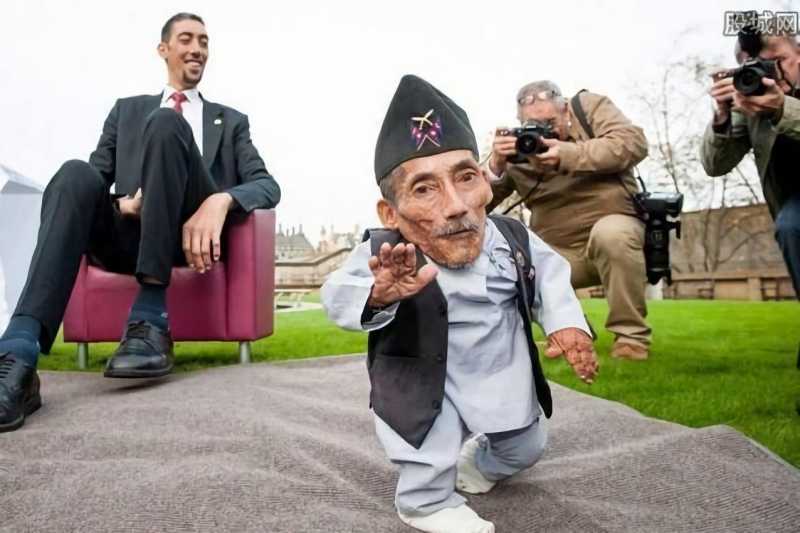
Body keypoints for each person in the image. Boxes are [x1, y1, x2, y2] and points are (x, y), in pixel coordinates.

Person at [322, 75, 598, 533]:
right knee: (428, 451)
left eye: (466, 178)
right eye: (424, 189)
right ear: (391, 213)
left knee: (526, 446)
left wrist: (566, 324)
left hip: (500, 371)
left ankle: (478, 465)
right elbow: (336, 294)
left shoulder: (512, 237)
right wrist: (377, 293)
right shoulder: (384, 251)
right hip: (429, 382)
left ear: (486, 184)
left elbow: (550, 278)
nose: (456, 206)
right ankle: (425, 504)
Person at [0, 12, 281, 433]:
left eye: (204, 41)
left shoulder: (231, 122)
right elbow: (95, 182)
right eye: (186, 39)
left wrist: (220, 200)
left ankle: (150, 321)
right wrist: (122, 206)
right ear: (163, 49)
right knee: (74, 174)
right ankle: (17, 354)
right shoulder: (125, 111)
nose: (197, 48)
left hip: (188, 240)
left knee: (168, 123)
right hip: (127, 239)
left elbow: (267, 185)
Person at [486, 81, 651, 360]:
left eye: (550, 122)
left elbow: (633, 142)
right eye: (532, 125)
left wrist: (568, 154)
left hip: (612, 235)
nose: (543, 132)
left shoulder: (589, 108)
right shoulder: (518, 149)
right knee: (511, 263)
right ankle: (572, 331)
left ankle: (630, 338)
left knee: (611, 234)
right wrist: (496, 166)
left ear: (566, 111)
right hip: (558, 253)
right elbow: (477, 202)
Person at [701, 33, 800, 296]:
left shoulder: (774, 103)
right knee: (791, 225)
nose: (773, 74)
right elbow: (714, 165)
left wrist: (781, 109)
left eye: (779, 60)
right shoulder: (754, 105)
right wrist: (723, 116)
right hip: (793, 207)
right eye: (762, 66)